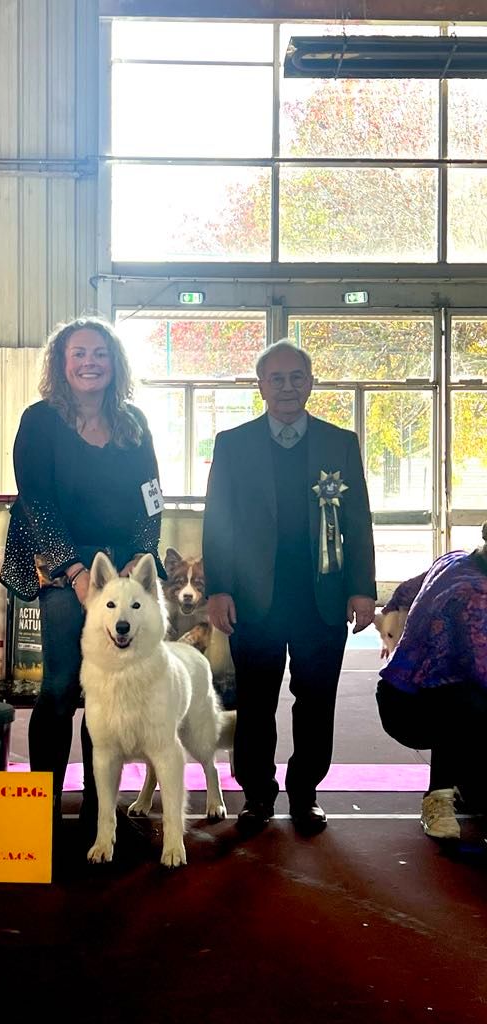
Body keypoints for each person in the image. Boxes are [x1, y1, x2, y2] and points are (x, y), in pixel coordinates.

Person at [202, 339, 376, 835]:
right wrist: (219, 588)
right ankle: (256, 796)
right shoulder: (232, 443)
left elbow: (358, 520)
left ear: (311, 383)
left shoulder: (339, 442)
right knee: (255, 703)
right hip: (253, 600)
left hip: (322, 598)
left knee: (317, 700)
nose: (286, 387)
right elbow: (219, 521)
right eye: (275, 378)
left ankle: (305, 794)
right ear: (261, 386)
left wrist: (362, 587)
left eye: (296, 377)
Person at [0, 315, 165, 831]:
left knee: (109, 691)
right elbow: (36, 504)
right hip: (61, 567)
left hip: (118, 572)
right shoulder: (40, 421)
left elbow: (150, 500)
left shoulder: (134, 422)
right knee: (61, 687)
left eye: (100, 354)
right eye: (80, 354)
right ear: (61, 363)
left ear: (114, 363)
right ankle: (41, 810)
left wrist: (136, 572)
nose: (90, 363)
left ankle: (101, 811)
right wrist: (74, 573)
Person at [376, 525, 487, 841]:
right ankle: (437, 798)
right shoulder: (475, 595)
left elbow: (404, 592)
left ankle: (468, 784)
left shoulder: (454, 561)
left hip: (400, 695)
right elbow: (482, 669)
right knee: (468, 696)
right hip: (419, 709)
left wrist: (389, 625)